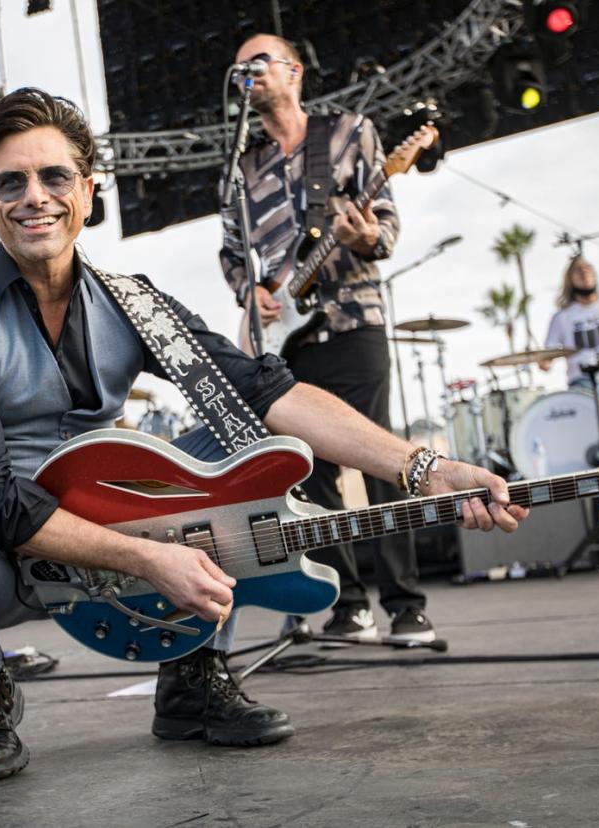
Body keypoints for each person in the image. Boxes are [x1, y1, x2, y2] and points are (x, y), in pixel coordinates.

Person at [0, 87, 528, 785]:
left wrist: (423, 467)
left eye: (54, 176)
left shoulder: (135, 301)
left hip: (110, 520)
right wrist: (149, 560)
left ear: (88, 193)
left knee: (247, 448)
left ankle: (191, 679)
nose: (34, 196)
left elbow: (266, 391)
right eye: (12, 182)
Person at [217, 33, 431, 645]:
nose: (248, 72)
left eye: (259, 62)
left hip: (352, 320)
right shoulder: (242, 164)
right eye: (240, 68)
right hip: (284, 339)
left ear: (294, 71)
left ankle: (407, 603)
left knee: (384, 459)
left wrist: (363, 237)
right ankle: (348, 603)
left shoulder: (349, 133)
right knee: (307, 474)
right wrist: (248, 292)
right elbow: (233, 250)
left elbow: (384, 227)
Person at [538, 256, 599, 387]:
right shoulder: (561, 317)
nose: (584, 272)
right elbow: (547, 356)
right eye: (578, 270)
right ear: (569, 280)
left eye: (588, 268)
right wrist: (544, 362)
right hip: (582, 379)